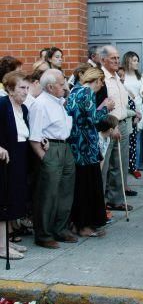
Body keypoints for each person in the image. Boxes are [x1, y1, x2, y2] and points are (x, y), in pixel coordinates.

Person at [29, 69, 76, 248]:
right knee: (48, 194)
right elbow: (34, 137)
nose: (65, 86)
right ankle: (44, 234)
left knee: (65, 191)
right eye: (61, 83)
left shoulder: (57, 102)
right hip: (51, 149)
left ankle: (61, 229)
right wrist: (45, 158)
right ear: (50, 87)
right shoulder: (40, 104)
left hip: (64, 146)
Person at [66, 68, 114, 237]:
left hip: (76, 145)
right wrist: (106, 108)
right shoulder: (87, 92)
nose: (101, 86)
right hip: (85, 147)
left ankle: (77, 223)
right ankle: (85, 226)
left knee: (81, 186)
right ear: (97, 80)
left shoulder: (75, 90)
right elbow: (93, 118)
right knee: (88, 187)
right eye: (101, 82)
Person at [98, 45, 135, 209]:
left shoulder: (117, 77)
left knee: (120, 163)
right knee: (104, 166)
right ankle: (101, 204)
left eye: (117, 58)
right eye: (113, 58)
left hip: (122, 122)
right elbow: (101, 104)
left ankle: (117, 200)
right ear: (103, 59)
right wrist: (111, 126)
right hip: (108, 125)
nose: (117, 61)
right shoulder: (101, 78)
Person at [0, 72, 31, 260]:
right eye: (21, 88)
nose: (26, 92)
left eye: (27, 88)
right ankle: (2, 247)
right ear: (10, 89)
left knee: (14, 199)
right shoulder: (2, 105)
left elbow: (23, 133)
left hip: (19, 157)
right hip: (4, 160)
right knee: (3, 201)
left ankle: (5, 240)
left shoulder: (24, 109)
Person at [122, 51, 143, 178]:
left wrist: (137, 113)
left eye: (137, 60)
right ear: (127, 61)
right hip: (125, 111)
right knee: (125, 139)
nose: (136, 63)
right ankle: (124, 166)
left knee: (136, 140)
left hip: (138, 110)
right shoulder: (121, 75)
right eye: (134, 60)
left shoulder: (142, 77)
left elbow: (142, 95)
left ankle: (135, 167)